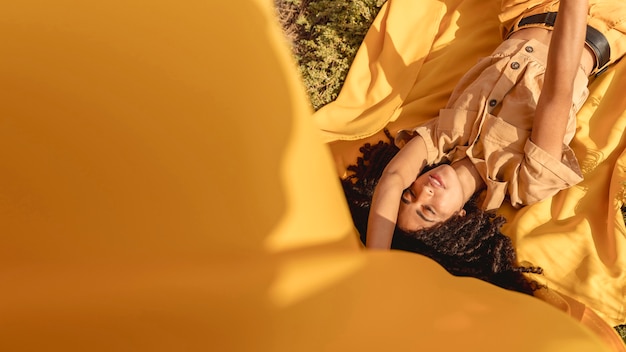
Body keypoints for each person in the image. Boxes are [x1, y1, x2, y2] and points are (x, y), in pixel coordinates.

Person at [359, 0, 625, 250]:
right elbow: (558, 89)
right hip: (598, 18)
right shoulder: (522, 181)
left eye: (410, 193)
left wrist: (376, 262)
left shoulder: (441, 139)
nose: (423, 190)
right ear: (458, 219)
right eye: (428, 209)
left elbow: (392, 178)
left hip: (526, 8)